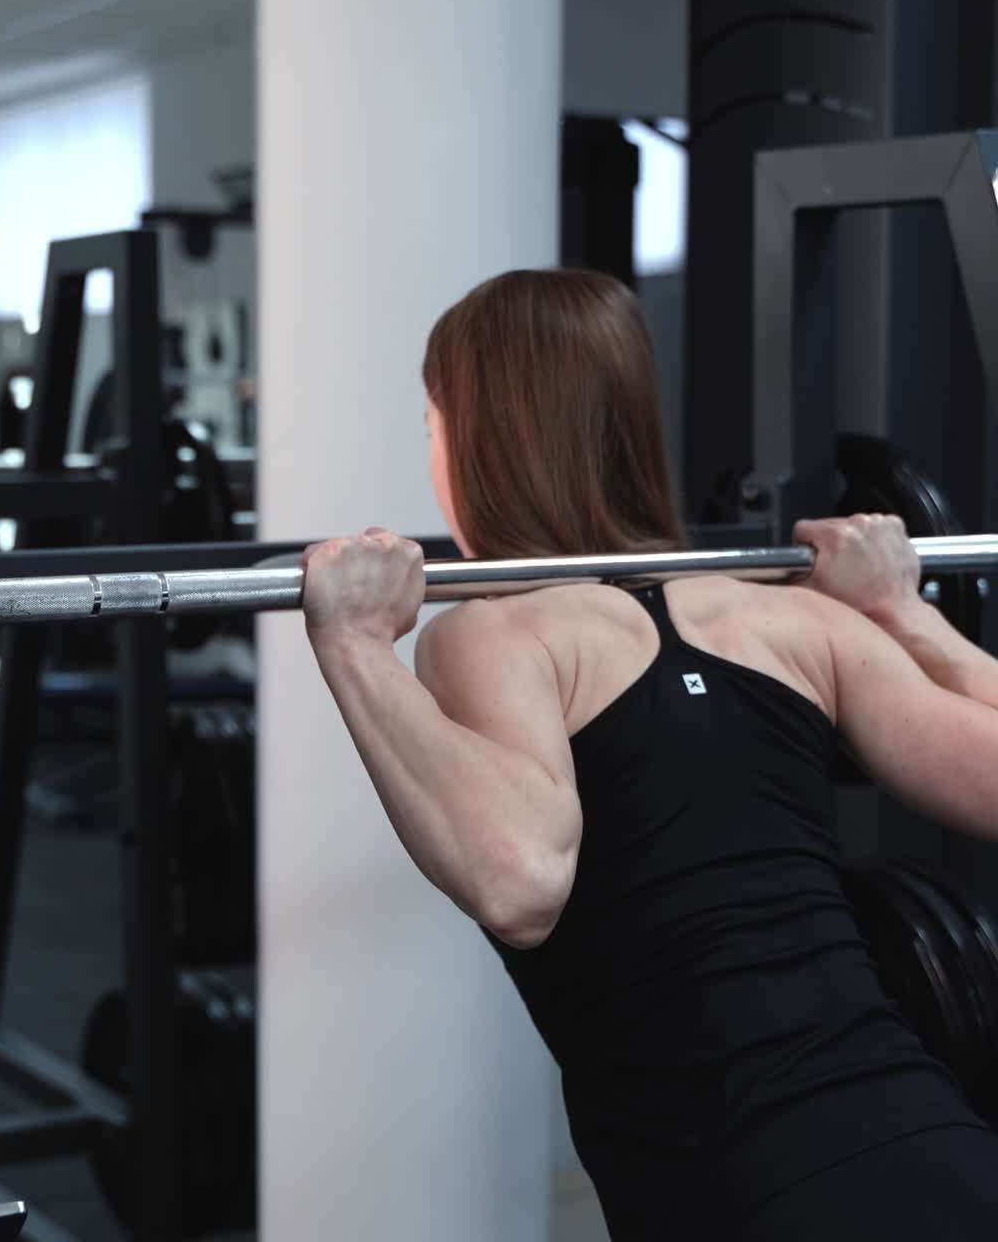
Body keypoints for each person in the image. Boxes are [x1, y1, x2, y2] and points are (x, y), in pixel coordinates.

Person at [300, 268, 998, 1240]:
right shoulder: (789, 619)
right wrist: (899, 610)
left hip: (731, 1191)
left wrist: (353, 644)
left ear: (476, 434)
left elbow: (519, 877)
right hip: (937, 1147)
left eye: (431, 421)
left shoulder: (499, 635)